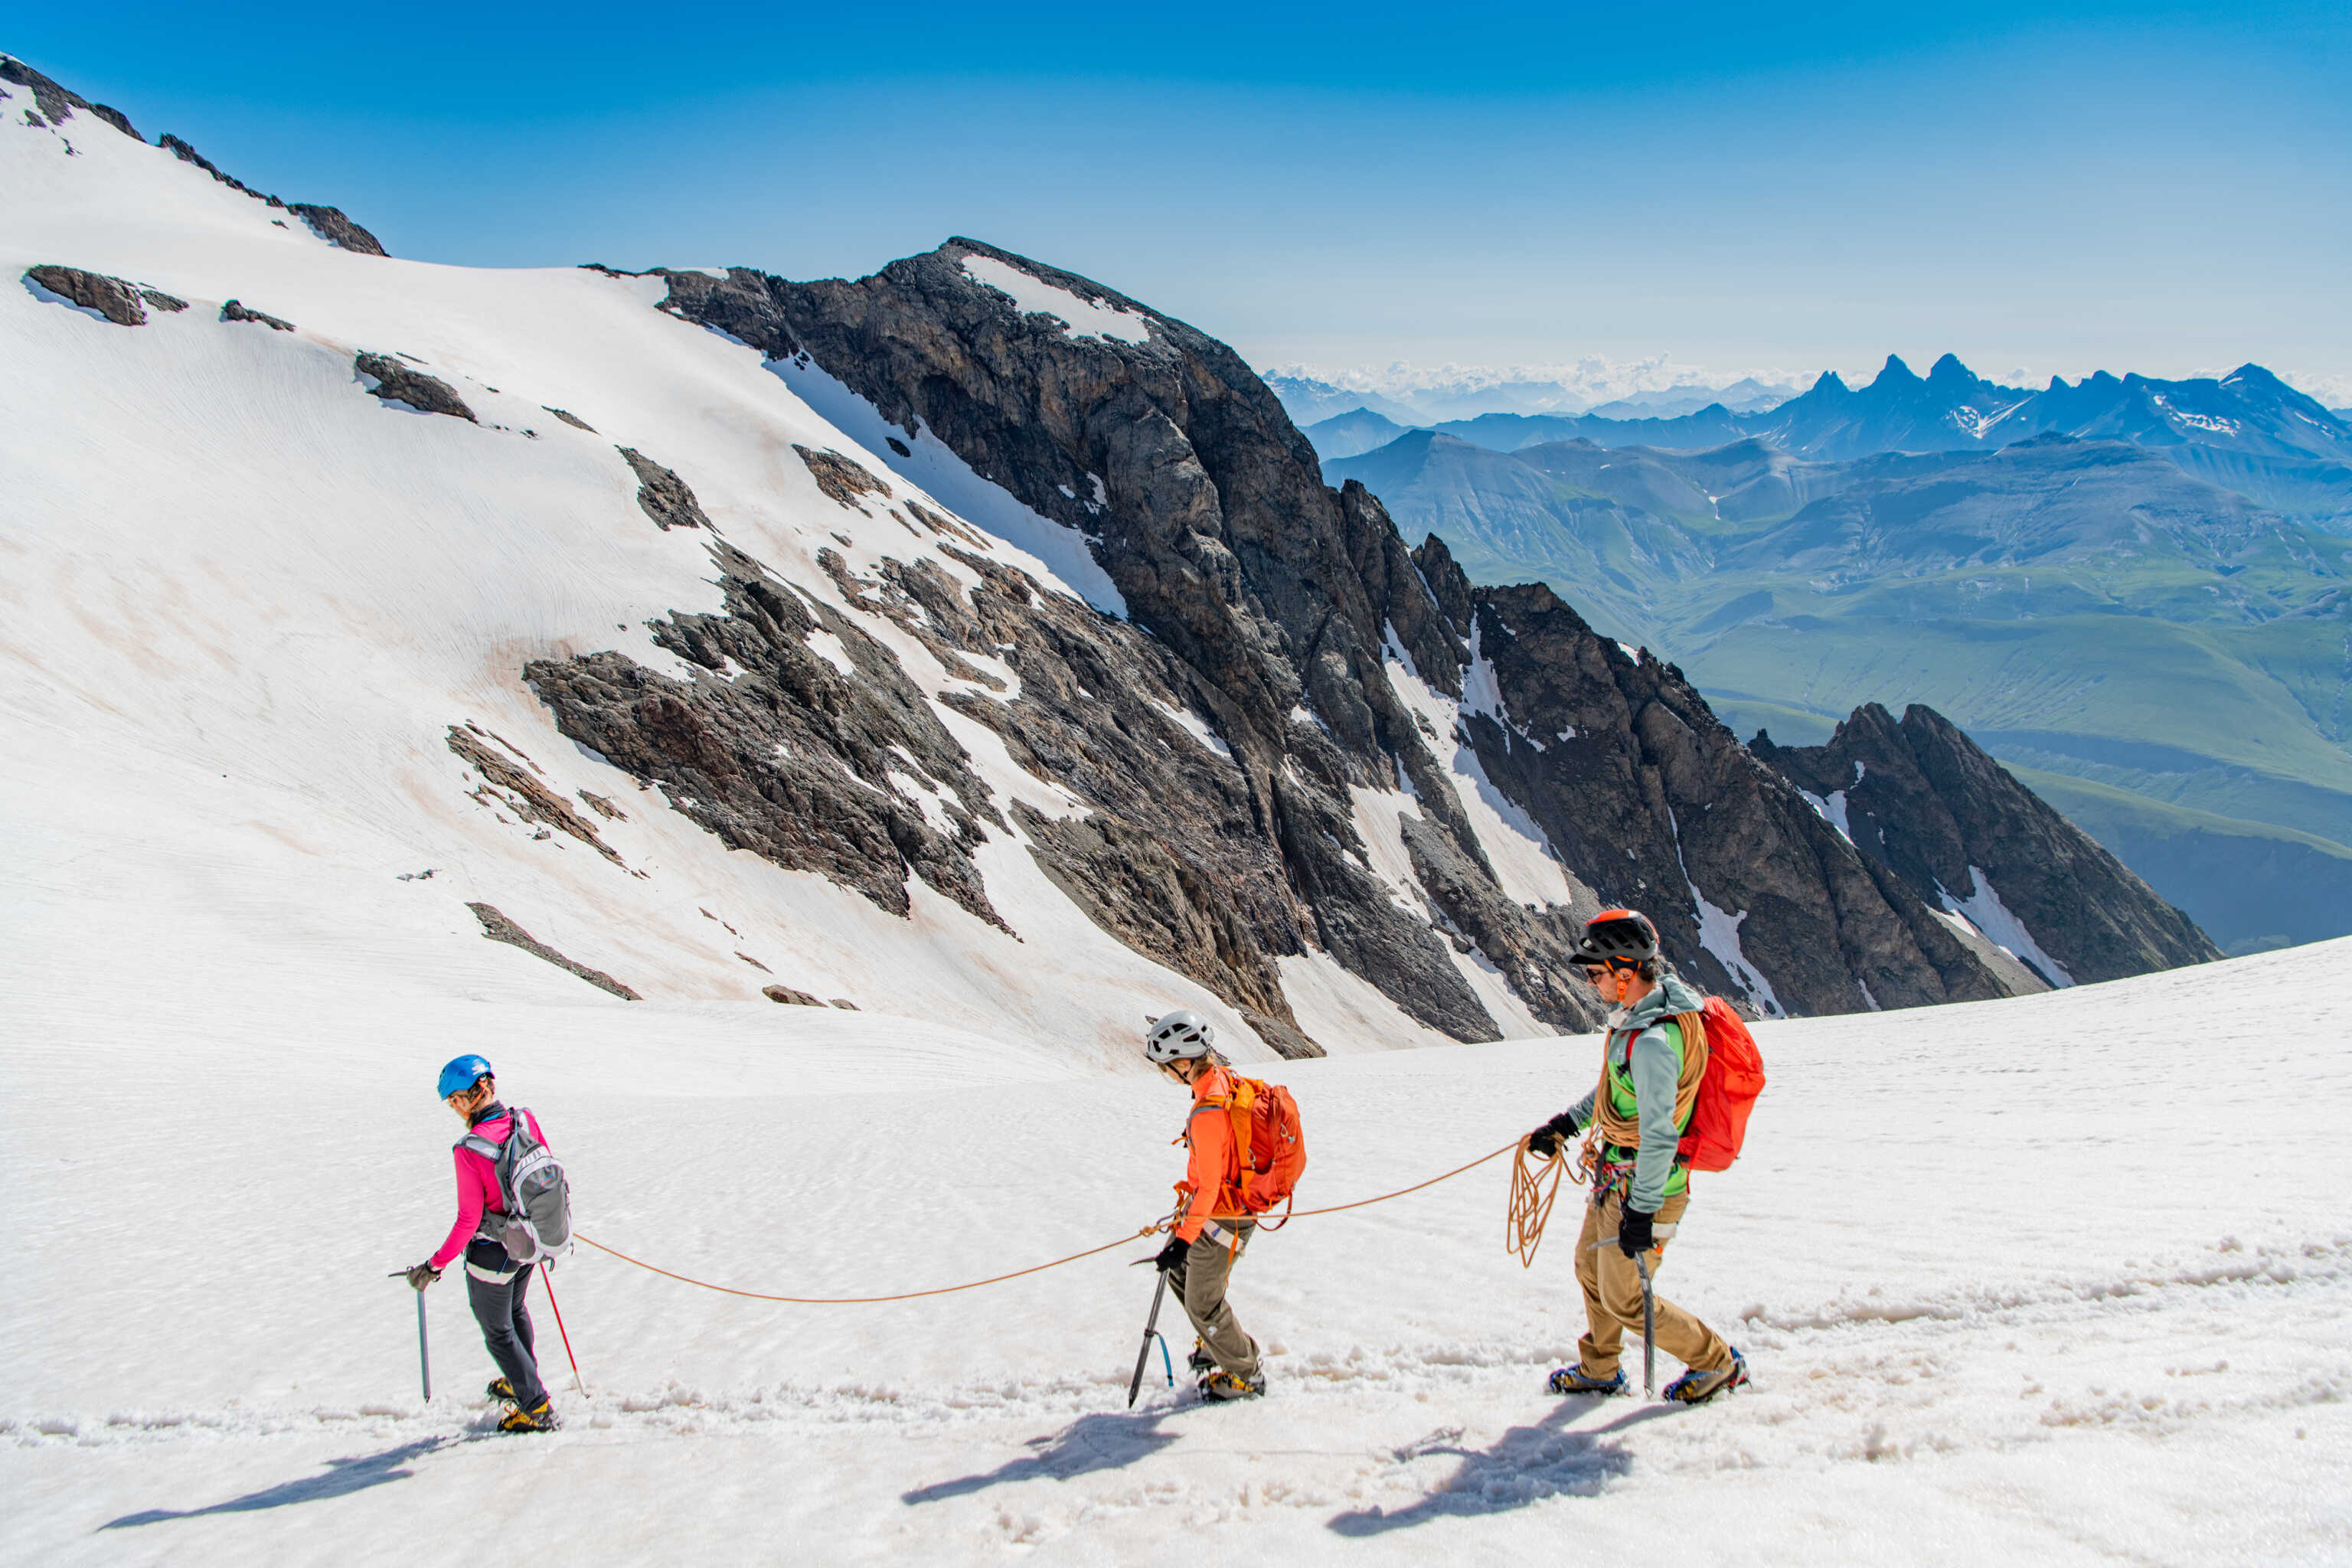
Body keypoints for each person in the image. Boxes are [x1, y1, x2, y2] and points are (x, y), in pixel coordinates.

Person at [1525, 910, 1749, 1404]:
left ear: (1625, 971)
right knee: (1590, 1267)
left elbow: (1660, 1134)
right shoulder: (1642, 1023)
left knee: (1626, 1297)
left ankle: (1717, 1362)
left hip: (1648, 1187)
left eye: (1595, 972)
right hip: (1619, 1178)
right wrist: (1566, 1123)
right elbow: (1613, 1088)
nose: (1591, 982)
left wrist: (1642, 1210)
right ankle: (1600, 1368)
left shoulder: (1651, 1041)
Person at [401, 1054, 560, 1433]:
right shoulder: (524, 1120)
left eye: (455, 1099)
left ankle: (535, 1407)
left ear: (471, 1095)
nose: (454, 1108)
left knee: (498, 1332)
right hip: (529, 1242)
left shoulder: (469, 1149)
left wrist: (434, 1265)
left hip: (492, 1252)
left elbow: (468, 1219)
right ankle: (524, 1380)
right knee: (517, 1309)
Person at [1143, 1011, 1267, 1402]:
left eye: (1167, 1068)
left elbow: (1210, 1187)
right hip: (1222, 1211)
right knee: (1181, 1276)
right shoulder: (1221, 1081)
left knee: (1202, 1301)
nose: (1166, 1074)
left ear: (1183, 1063)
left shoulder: (1208, 1113)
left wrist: (1184, 1238)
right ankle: (1218, 1343)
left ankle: (1245, 1373)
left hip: (1225, 1217)